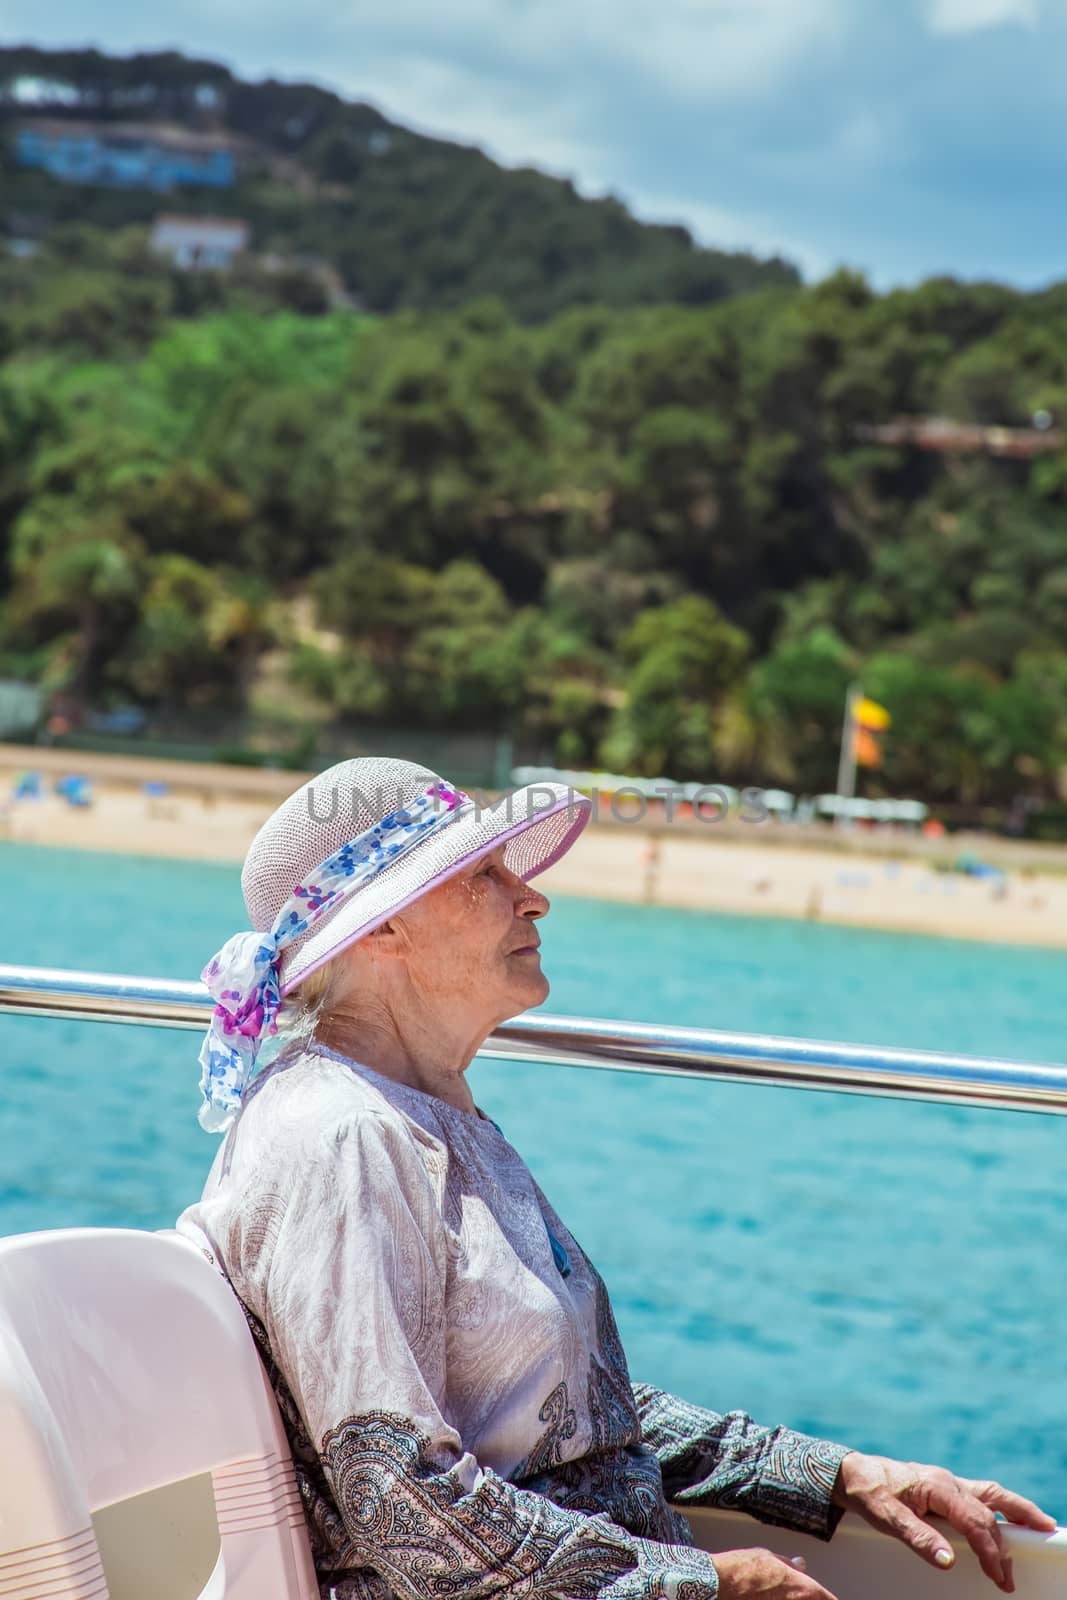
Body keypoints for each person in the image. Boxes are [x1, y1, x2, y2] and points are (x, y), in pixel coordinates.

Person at [177, 757, 1054, 1600]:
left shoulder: (422, 1113)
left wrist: (831, 1474)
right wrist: (700, 1580)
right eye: (484, 874)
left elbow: (562, 1416)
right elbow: (399, 1501)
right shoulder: (343, 1139)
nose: (533, 896)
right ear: (384, 930)